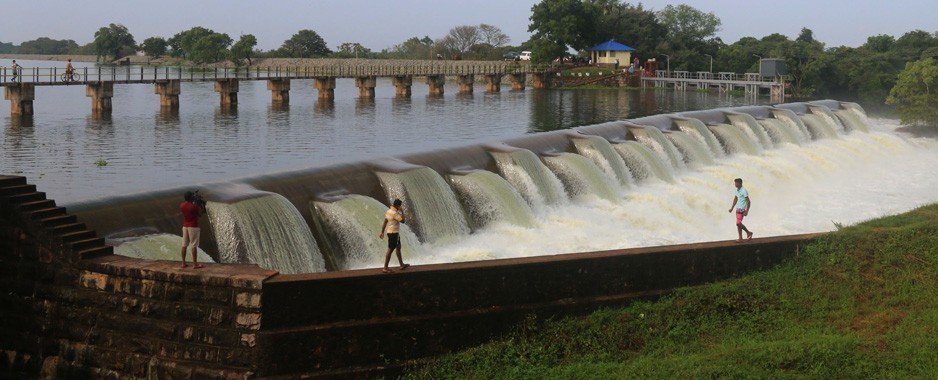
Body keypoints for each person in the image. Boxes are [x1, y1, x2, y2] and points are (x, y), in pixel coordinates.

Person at [379, 199, 410, 273]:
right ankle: (385, 268)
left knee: (398, 247)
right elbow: (403, 221)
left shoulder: (389, 211)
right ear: (398, 206)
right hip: (393, 233)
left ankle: (401, 265)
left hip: (392, 233)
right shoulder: (394, 213)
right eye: (400, 206)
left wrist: (382, 232)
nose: (401, 207)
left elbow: (385, 222)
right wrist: (402, 211)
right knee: (390, 249)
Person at [180, 191, 205, 268]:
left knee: (184, 245)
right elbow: (200, 213)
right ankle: (195, 264)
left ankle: (183, 263)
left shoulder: (181, 205)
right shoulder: (194, 207)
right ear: (191, 197)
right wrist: (202, 205)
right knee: (194, 245)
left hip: (185, 226)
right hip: (193, 226)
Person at [728, 178, 753, 242]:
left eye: (736, 183)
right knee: (739, 224)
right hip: (737, 209)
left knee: (738, 223)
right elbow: (735, 199)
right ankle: (740, 238)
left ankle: (748, 232)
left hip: (742, 210)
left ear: (740, 183)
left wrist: (747, 211)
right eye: (735, 183)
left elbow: (748, 201)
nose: (735, 184)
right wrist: (732, 208)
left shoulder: (744, 191)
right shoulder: (737, 190)